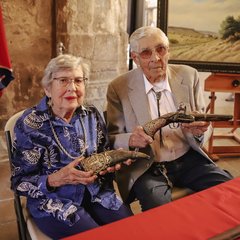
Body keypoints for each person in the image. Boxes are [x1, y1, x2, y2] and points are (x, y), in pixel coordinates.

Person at [106, 26, 233, 212]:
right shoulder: (119, 87)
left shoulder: (189, 76)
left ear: (168, 51)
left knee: (229, 191)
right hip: (147, 165)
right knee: (159, 212)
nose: (156, 58)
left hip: (189, 158)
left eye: (160, 49)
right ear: (135, 58)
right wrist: (130, 139)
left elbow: (207, 124)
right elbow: (111, 137)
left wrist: (200, 132)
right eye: (146, 53)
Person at [11, 54, 133, 239]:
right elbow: (18, 182)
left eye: (78, 80)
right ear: (48, 89)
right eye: (63, 81)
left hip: (97, 192)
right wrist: (56, 179)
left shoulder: (92, 114)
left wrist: (111, 163)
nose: (72, 88)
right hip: (54, 201)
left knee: (133, 230)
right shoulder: (29, 124)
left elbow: (103, 154)